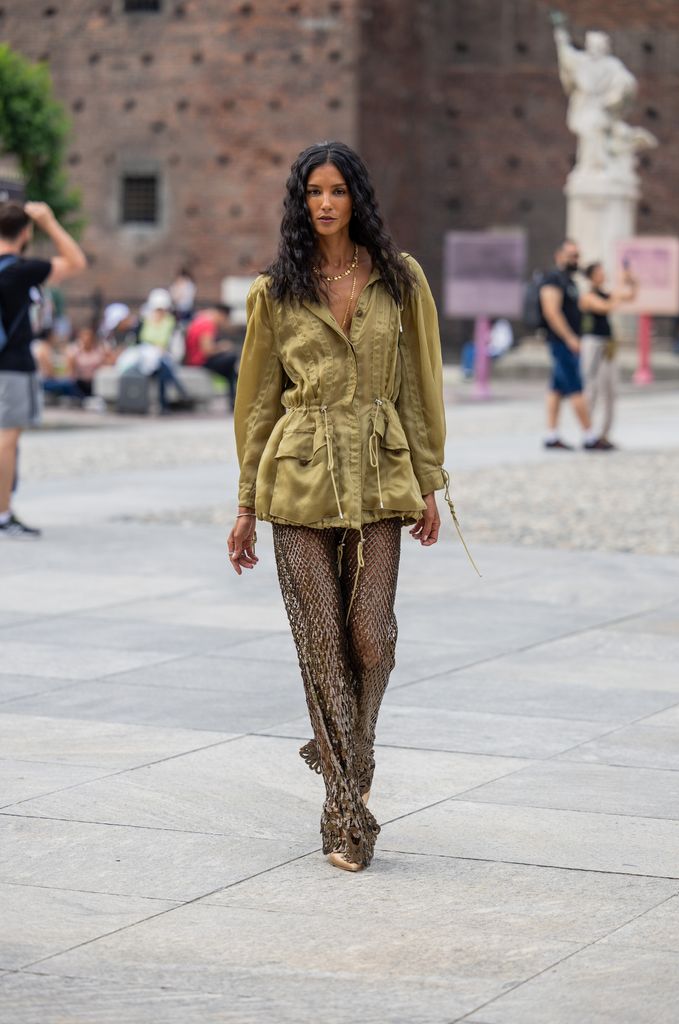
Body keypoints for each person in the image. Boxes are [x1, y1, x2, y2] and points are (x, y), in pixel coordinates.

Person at [228, 141, 478, 873]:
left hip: (378, 474)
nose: (326, 202)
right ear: (301, 202)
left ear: (356, 196)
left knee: (371, 637)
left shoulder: (400, 281)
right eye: (314, 191)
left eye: (337, 189)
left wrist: (429, 481)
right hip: (297, 480)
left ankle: (349, 751)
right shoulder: (274, 291)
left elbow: (418, 387)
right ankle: (345, 816)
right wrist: (246, 504)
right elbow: (256, 404)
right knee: (320, 649)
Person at [0, 200, 86, 538]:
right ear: (24, 233)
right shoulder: (20, 270)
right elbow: (76, 262)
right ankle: (3, 514)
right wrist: (49, 221)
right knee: (7, 437)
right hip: (12, 364)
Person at [540, 239, 607, 451]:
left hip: (566, 342)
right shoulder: (553, 279)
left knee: (557, 388)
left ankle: (551, 435)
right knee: (576, 386)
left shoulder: (569, 281)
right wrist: (569, 338)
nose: (576, 259)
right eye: (572, 255)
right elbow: (552, 311)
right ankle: (589, 435)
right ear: (559, 256)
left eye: (578, 255)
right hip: (562, 342)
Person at [579, 261, 636, 449]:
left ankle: (604, 434)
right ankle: (588, 433)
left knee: (610, 390)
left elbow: (630, 296)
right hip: (593, 344)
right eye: (600, 272)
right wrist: (618, 293)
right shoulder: (588, 296)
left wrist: (630, 280)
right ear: (591, 276)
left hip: (608, 344)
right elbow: (605, 307)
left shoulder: (607, 293)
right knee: (592, 388)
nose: (603, 275)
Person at [184, 303, 238, 409]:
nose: (225, 323)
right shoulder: (208, 324)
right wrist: (223, 347)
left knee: (231, 371)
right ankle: (233, 401)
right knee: (231, 358)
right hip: (199, 361)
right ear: (222, 315)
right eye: (226, 319)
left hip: (195, 359)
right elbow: (207, 350)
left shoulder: (202, 318)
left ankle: (234, 400)